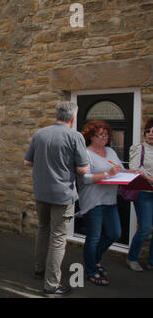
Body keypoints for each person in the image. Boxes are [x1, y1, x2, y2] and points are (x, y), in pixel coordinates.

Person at [24, 101, 89, 297]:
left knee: (43, 229)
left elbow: (28, 162)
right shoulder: (75, 136)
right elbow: (83, 169)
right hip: (62, 194)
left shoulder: (40, 134)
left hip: (41, 192)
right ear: (73, 117)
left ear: (56, 114)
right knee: (58, 237)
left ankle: (39, 268)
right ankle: (51, 285)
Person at [78, 120, 139, 285]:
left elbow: (118, 169)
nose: (104, 138)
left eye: (106, 135)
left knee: (114, 233)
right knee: (94, 237)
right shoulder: (85, 154)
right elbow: (84, 178)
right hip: (93, 201)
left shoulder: (110, 151)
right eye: (100, 135)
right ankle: (91, 271)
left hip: (109, 200)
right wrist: (106, 174)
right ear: (91, 136)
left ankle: (95, 260)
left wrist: (131, 172)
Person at [127, 117, 153, 272]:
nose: (150, 134)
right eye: (148, 131)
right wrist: (150, 178)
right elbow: (135, 170)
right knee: (145, 228)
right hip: (144, 194)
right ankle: (132, 258)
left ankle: (151, 262)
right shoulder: (139, 148)